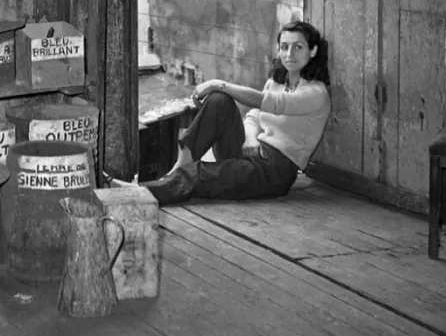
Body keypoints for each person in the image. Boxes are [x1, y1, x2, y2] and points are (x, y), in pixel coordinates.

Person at [132, 21, 332, 207]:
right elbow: (254, 116)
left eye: (298, 47)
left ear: (312, 51)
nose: (289, 54)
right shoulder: (277, 82)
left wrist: (217, 84)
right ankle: (178, 168)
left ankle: (134, 194)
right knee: (219, 100)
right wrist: (251, 139)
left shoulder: (315, 93)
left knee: (201, 175)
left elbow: (271, 103)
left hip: (274, 171)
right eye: (284, 47)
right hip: (250, 150)